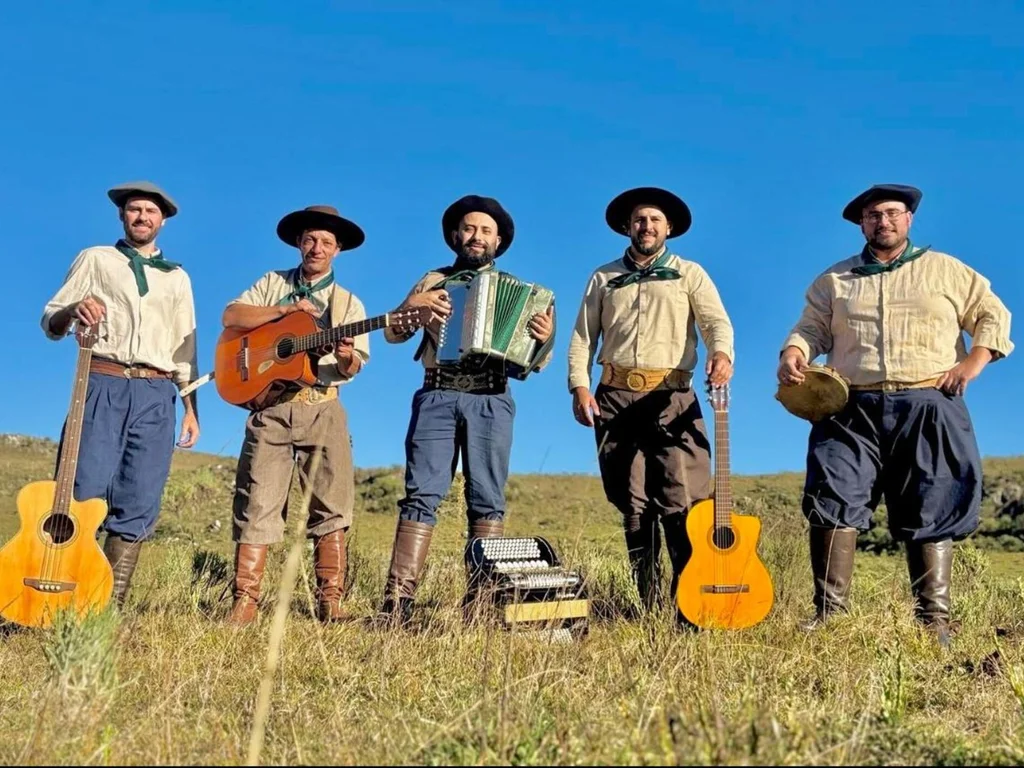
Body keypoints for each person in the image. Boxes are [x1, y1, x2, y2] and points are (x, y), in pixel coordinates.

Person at [778, 183, 1014, 644]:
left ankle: (933, 625)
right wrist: (794, 351)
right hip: (849, 407)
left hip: (928, 401)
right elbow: (810, 327)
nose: (881, 221)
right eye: (871, 215)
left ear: (909, 219)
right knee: (832, 498)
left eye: (890, 213)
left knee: (932, 503)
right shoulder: (836, 279)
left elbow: (992, 313)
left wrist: (974, 361)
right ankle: (830, 618)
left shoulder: (945, 270)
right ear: (861, 224)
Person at [377, 194, 555, 624]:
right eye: (469, 229)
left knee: (487, 500)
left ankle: (481, 605)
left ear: (498, 241)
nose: (476, 237)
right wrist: (412, 309)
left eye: (485, 231)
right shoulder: (431, 279)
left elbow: (539, 361)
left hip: (491, 398)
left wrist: (544, 337)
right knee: (421, 494)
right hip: (437, 393)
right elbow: (393, 335)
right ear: (456, 235)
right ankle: (397, 603)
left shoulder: (525, 292)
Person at [567, 186, 735, 618]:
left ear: (669, 228)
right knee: (633, 500)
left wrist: (721, 354)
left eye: (655, 220)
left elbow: (716, 322)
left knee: (681, 500)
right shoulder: (602, 277)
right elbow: (584, 336)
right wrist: (578, 386)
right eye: (640, 220)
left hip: (672, 395)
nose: (646, 226)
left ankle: (688, 604)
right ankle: (647, 604)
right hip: (615, 397)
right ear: (628, 227)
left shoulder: (689, 273)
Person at [41, 181, 200, 605]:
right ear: (122, 216)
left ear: (162, 221)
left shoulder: (178, 278)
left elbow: (186, 349)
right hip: (102, 381)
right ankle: (61, 593)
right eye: (134, 210)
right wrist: (74, 311)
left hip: (157, 391)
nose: (142, 217)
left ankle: (110, 605)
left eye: (150, 211)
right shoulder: (96, 259)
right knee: (81, 487)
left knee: (141, 493)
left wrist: (190, 409)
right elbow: (51, 319)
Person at [222, 205, 370, 626]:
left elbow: (352, 367)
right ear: (299, 244)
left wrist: (345, 359)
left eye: (326, 242)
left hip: (322, 405)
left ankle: (330, 601)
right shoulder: (272, 283)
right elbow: (231, 316)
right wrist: (282, 314)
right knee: (257, 501)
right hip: (270, 408)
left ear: (338, 250)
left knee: (332, 502)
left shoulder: (348, 305)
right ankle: (245, 602)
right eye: (310, 240)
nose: (316, 248)